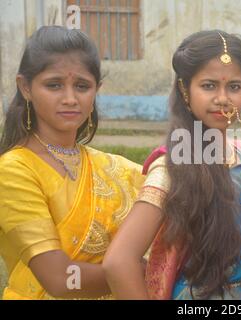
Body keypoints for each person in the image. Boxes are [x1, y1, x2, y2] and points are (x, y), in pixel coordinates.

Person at [103, 30, 241, 300]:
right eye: (208, 86)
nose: (223, 98)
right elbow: (118, 261)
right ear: (185, 90)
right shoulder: (172, 169)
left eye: (234, 86)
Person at [0, 26, 145, 299]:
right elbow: (60, 279)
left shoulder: (113, 168)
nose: (70, 98)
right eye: (54, 84)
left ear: (96, 90)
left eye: (82, 86)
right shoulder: (14, 170)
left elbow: (171, 192)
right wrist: (141, 273)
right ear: (25, 87)